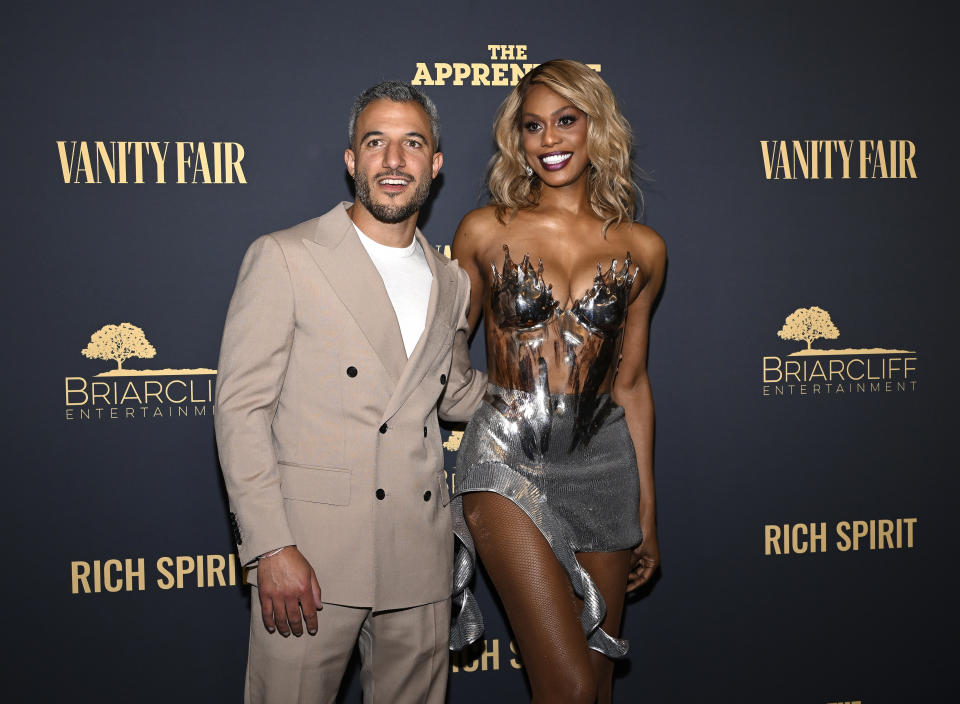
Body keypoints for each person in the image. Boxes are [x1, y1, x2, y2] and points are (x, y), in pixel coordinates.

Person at [214, 81, 486, 704]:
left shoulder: (453, 282)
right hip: (310, 559)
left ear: (435, 164)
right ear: (351, 160)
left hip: (419, 556)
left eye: (412, 144)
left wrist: (545, 391)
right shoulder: (287, 257)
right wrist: (271, 546)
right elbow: (240, 410)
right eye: (376, 143)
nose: (394, 161)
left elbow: (451, 392)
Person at [449, 60, 665, 703]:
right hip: (505, 455)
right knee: (568, 687)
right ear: (517, 140)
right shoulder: (484, 230)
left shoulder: (643, 247)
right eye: (533, 127)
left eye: (566, 121)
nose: (549, 140)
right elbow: (442, 356)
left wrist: (647, 510)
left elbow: (631, 384)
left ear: (597, 128)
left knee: (596, 684)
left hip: (604, 463)